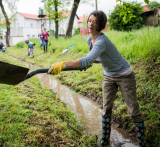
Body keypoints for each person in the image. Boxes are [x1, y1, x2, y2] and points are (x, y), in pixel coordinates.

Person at [47, 11, 146, 147]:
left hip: (124, 75)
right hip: (109, 76)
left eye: (95, 21)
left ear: (101, 24)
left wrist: (63, 64)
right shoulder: (90, 40)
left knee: (133, 109)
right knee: (106, 109)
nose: (91, 23)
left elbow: (87, 59)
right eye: (89, 20)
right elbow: (95, 59)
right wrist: (88, 63)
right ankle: (105, 140)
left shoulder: (102, 41)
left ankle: (142, 143)